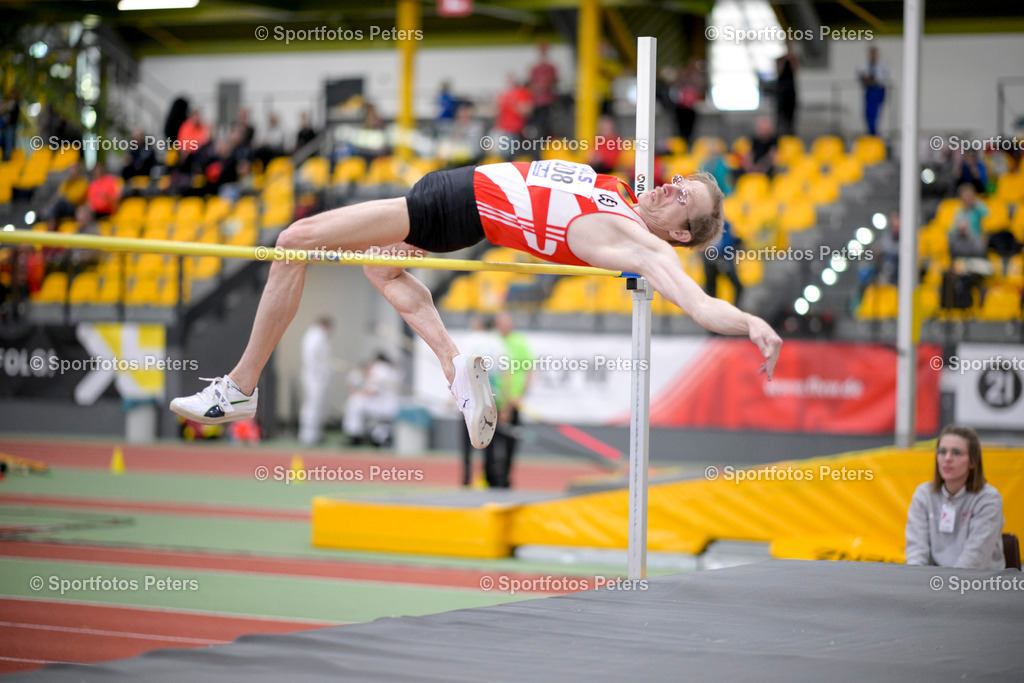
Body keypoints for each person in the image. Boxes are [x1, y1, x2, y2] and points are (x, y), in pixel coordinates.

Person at [170, 158, 783, 451]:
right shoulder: (620, 194)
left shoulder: (644, 245)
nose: (672, 187)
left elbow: (699, 305)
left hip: (454, 207)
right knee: (381, 265)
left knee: (293, 241)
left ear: (681, 233)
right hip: (454, 195)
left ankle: (241, 384)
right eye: (680, 181)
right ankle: (454, 368)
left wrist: (750, 321)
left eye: (685, 201)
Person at [905, 424, 1005, 569]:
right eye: (942, 451)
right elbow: (916, 551)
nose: (947, 458)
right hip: (931, 584)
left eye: (956, 452)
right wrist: (918, 582)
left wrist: (947, 587)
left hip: (979, 584)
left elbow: (975, 559)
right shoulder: (923, 494)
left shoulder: (988, 499)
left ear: (972, 461)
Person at [491, 311, 532, 488]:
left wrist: (521, 395)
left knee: (510, 444)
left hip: (513, 401)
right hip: (493, 401)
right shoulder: (491, 341)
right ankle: (491, 479)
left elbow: (529, 369)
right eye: (502, 323)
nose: (505, 327)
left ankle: (505, 479)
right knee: (490, 442)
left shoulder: (519, 341)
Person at [343, 352, 401, 447]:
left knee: (355, 401)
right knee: (356, 401)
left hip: (384, 406)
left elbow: (371, 392)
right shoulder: (387, 370)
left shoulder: (380, 370)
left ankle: (354, 436)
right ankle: (360, 434)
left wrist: (356, 391)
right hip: (385, 404)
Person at [299, 317, 333, 446]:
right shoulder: (316, 335)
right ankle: (309, 436)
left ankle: (313, 434)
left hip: (316, 377)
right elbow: (313, 357)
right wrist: (319, 373)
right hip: (314, 377)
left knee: (315, 406)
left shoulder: (318, 336)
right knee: (313, 405)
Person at [527, 41, 558, 138]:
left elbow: (554, 80)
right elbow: (531, 83)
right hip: (537, 101)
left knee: (548, 123)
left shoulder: (551, 67)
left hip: (548, 101)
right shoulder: (534, 68)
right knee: (538, 124)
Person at [857, 46, 888, 137]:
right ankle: (870, 132)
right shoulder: (865, 64)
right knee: (868, 113)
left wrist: (874, 79)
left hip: (878, 89)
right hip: (869, 90)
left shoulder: (883, 64)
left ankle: (875, 133)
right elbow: (860, 76)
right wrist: (865, 79)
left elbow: (885, 77)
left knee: (876, 112)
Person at [775, 41, 798, 137]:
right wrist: (784, 60)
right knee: (780, 115)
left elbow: (796, 69)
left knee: (791, 116)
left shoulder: (793, 58)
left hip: (790, 91)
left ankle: (791, 135)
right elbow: (778, 72)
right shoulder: (779, 60)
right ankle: (779, 134)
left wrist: (791, 58)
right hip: (781, 91)